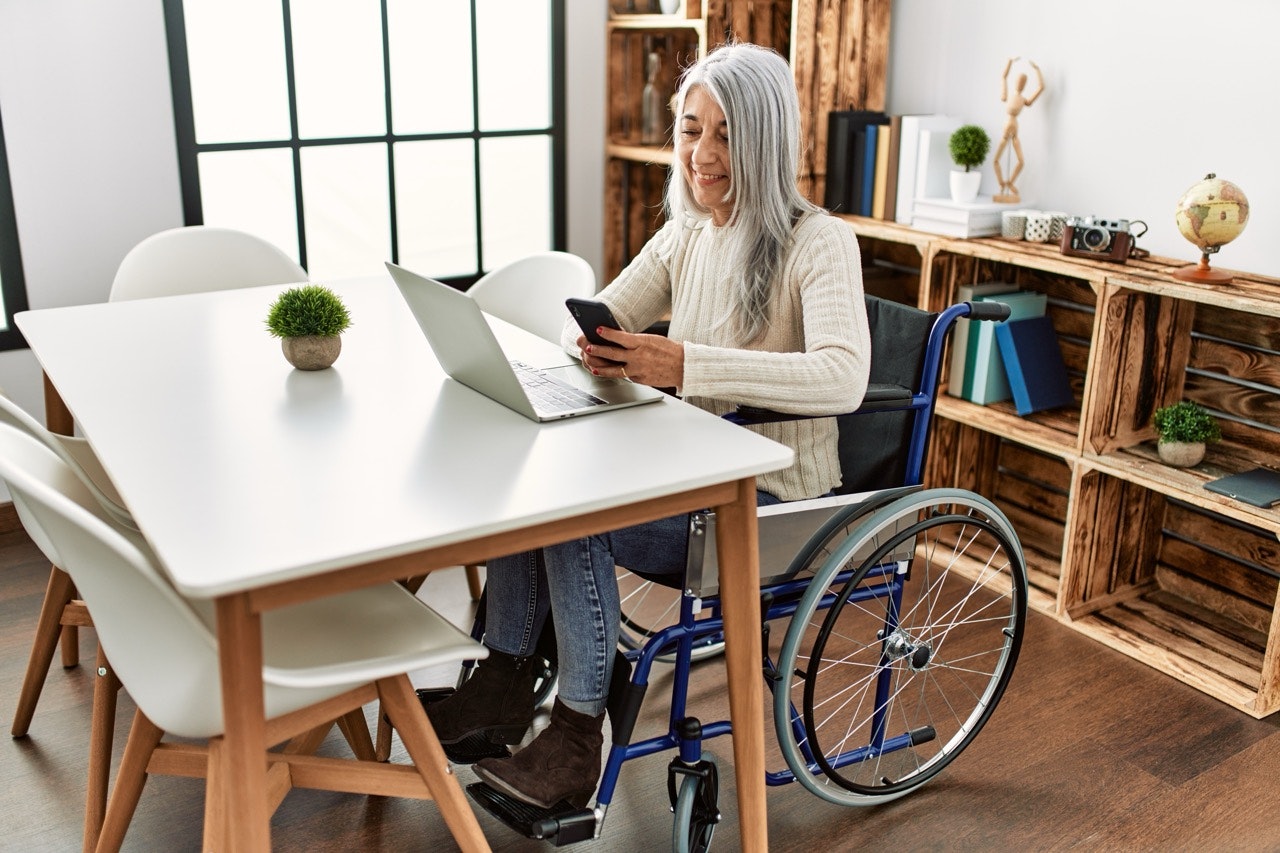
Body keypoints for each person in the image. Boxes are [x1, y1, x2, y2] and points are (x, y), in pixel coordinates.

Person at [426, 41, 872, 811]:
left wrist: (684, 364)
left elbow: (844, 376)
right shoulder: (687, 231)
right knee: (532, 476)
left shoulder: (818, 240)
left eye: (727, 133)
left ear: (767, 138)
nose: (702, 154)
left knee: (575, 511)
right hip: (691, 472)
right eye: (692, 128)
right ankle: (503, 675)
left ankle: (574, 732)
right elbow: (601, 319)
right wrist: (601, 347)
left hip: (768, 505)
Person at [992, 56, 1044, 203]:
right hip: (1007, 126)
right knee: (996, 159)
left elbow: (1041, 88)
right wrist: (1009, 61)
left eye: (1024, 82)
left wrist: (1037, 70)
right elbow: (1003, 77)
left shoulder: (1024, 100)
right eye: (1019, 81)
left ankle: (1010, 182)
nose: (1021, 84)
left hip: (1015, 129)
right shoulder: (1007, 96)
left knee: (1021, 161)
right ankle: (1002, 182)